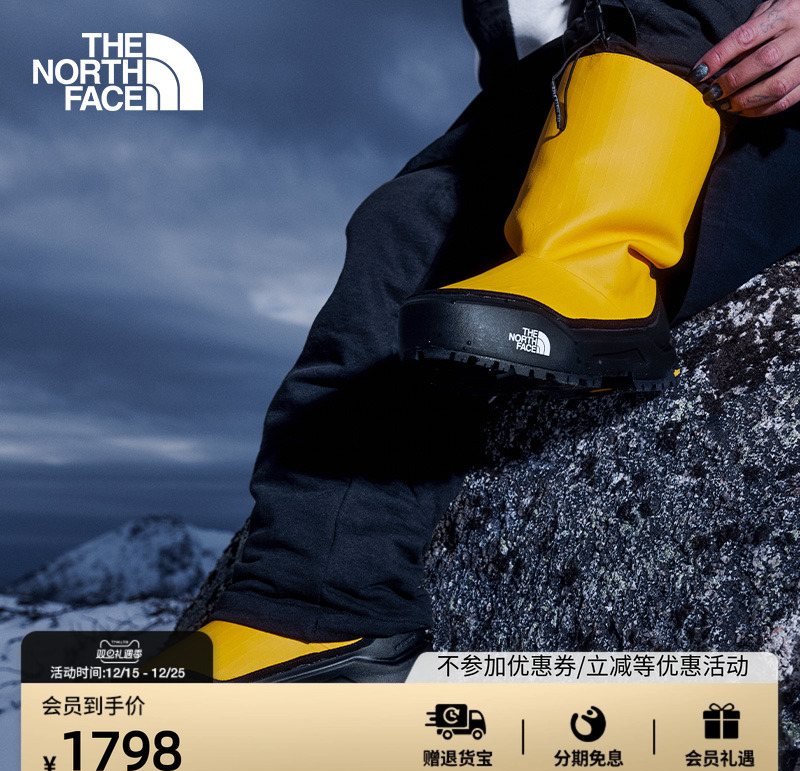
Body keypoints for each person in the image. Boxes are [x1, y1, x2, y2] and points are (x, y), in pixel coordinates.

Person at [197, 0, 800, 682]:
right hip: (604, 100)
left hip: (759, 106)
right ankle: (308, 609)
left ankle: (597, 266)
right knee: (406, 223)